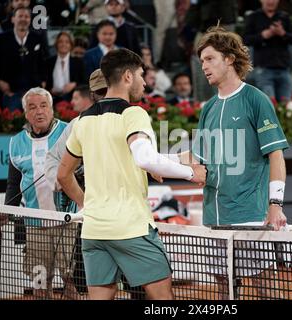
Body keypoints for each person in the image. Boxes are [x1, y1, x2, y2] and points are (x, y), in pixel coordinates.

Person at [57, 48, 206, 300]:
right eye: (140, 74)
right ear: (127, 76)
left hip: (94, 231)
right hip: (131, 228)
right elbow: (144, 158)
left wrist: (86, 204)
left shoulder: (82, 121)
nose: (145, 82)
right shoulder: (133, 113)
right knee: (162, 299)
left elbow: (63, 175)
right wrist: (191, 174)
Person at [176, 26, 289, 299]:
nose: (203, 66)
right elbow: (198, 163)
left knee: (266, 289)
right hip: (214, 218)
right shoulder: (208, 109)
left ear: (229, 59)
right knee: (225, 291)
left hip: (250, 216)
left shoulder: (256, 100)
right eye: (201, 60)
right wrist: (158, 163)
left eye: (209, 58)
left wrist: (275, 205)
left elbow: (276, 155)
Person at [0, 87, 78, 300]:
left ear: (51, 109)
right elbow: (14, 184)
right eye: (32, 107)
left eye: (43, 106)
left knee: (71, 281)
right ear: (26, 113)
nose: (39, 111)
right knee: (40, 282)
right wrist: (7, 213)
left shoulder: (69, 132)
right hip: (34, 224)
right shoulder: (16, 142)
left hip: (68, 219)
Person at [0, 6, 47, 111]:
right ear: (13, 19)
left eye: (26, 16)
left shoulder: (37, 38)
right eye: (20, 16)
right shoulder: (1, 39)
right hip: (10, 93)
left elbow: (43, 63)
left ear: (30, 20)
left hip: (33, 92)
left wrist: (42, 82)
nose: (23, 19)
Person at [244, 0, 292, 101]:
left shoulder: (284, 16)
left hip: (283, 68)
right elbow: (245, 40)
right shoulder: (254, 17)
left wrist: (282, 33)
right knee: (268, 105)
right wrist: (263, 35)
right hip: (263, 68)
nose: (270, 1)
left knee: (287, 107)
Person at [46, 32, 86, 103]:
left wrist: (74, 84)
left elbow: (84, 81)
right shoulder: (49, 62)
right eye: (60, 41)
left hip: (72, 99)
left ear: (71, 45)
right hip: (52, 99)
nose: (63, 44)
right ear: (56, 44)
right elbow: (45, 81)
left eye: (67, 42)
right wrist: (50, 90)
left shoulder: (78, 62)